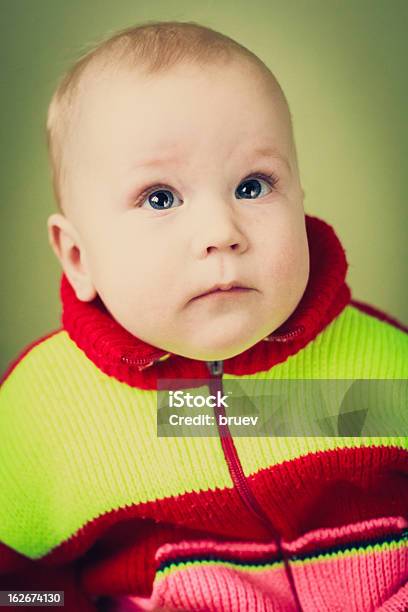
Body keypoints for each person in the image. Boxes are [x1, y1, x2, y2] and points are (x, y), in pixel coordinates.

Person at [1, 21, 407, 612]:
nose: (221, 232)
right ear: (78, 257)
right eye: (159, 197)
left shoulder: (379, 362)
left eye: (252, 185)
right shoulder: (44, 411)